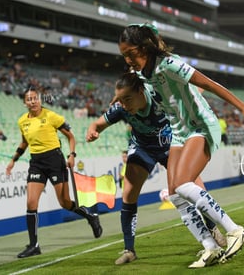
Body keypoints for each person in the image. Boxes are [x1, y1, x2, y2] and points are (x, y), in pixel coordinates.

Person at [117, 23, 244, 267]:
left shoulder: (169, 64)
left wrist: (243, 107)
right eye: (124, 55)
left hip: (200, 126)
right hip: (178, 132)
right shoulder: (143, 73)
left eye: (131, 53)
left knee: (185, 184)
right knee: (175, 194)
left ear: (144, 48)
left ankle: (235, 230)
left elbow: (208, 84)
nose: (128, 59)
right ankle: (210, 246)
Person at [86, 73, 226, 266]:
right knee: (128, 194)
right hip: (142, 148)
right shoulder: (121, 109)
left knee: (194, 190)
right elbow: (97, 123)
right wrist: (92, 131)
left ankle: (212, 229)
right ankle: (129, 250)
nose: (124, 104)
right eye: (120, 100)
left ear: (141, 90)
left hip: (172, 147)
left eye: (127, 99)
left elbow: (188, 91)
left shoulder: (160, 96)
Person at [5, 88, 102, 258]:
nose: (32, 101)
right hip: (36, 163)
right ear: (24, 103)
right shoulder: (22, 121)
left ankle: (90, 216)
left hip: (55, 160)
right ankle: (34, 245)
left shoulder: (51, 116)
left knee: (64, 202)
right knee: (31, 203)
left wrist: (72, 155)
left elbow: (71, 137)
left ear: (40, 100)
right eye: (29, 99)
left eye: (35, 98)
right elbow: (24, 142)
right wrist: (13, 159)